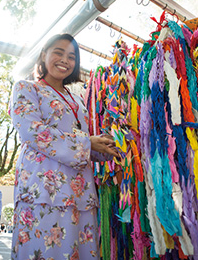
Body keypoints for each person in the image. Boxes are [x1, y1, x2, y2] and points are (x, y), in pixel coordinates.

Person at [9, 34, 119, 259]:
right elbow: (33, 132)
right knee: (45, 249)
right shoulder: (27, 88)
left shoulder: (77, 99)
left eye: (71, 56)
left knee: (78, 249)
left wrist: (107, 146)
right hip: (43, 189)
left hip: (80, 190)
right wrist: (88, 142)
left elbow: (82, 142)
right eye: (58, 53)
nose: (65, 60)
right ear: (43, 55)